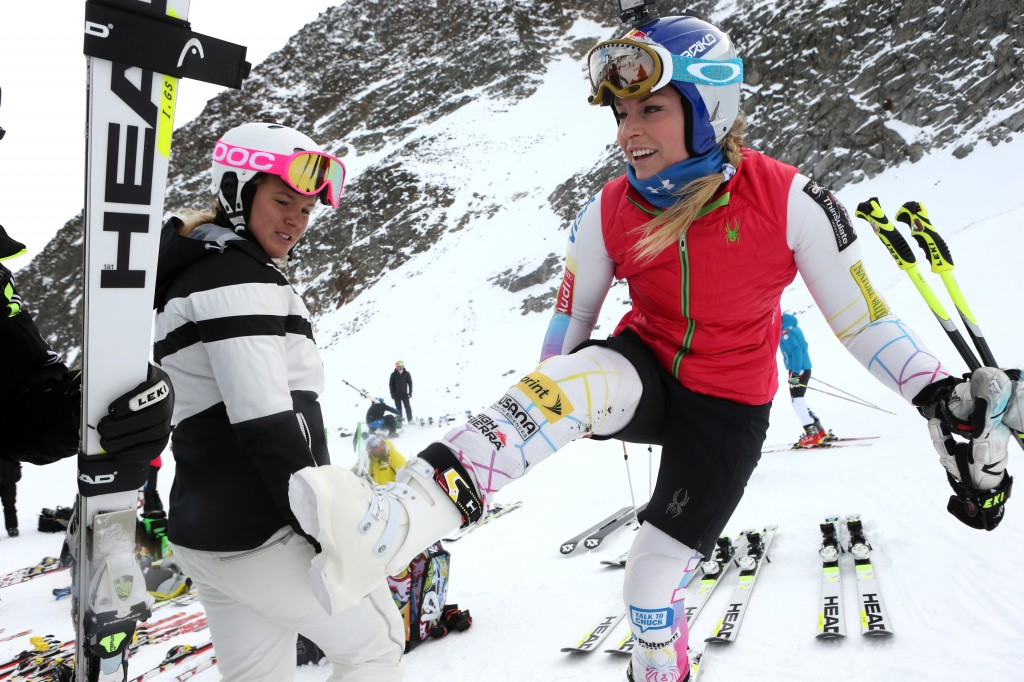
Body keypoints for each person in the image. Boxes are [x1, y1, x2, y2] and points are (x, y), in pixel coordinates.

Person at [286, 13, 1018, 682]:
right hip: (644, 369)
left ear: (709, 110)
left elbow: (862, 320)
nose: (628, 131)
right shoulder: (607, 209)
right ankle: (397, 520)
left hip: (730, 407)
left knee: (646, 585)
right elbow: (566, 338)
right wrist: (542, 415)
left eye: (651, 109)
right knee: (571, 383)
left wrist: (934, 391)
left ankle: (660, 665)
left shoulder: (790, 198)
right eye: (622, 113)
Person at [153, 122, 404, 682]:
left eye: (308, 210)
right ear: (239, 193)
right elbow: (264, 419)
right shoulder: (237, 279)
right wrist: (326, 529)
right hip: (262, 530)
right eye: (282, 200)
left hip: (209, 534)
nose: (296, 220)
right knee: (374, 649)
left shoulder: (197, 269)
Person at [779, 312, 830, 447]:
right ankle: (820, 431)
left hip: (798, 369)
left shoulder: (785, 332)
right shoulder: (793, 327)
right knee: (799, 401)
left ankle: (812, 435)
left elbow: (796, 352)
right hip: (803, 368)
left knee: (797, 402)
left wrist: (795, 373)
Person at [0, 456, 19, 536]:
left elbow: (17, 457)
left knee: (10, 505)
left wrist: (17, 473)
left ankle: (12, 527)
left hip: (9, 480)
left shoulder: (9, 445)